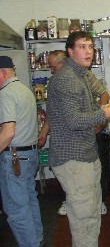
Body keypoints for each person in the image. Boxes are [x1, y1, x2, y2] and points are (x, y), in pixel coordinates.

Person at [47, 31, 110, 247]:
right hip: (73, 159)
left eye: (91, 46)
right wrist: (107, 113)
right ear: (70, 52)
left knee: (91, 214)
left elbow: (84, 110)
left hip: (85, 154)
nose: (88, 51)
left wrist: (102, 111)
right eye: (82, 46)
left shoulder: (81, 75)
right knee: (84, 220)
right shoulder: (67, 79)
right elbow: (73, 120)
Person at [38, 50, 110, 216]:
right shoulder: (59, 80)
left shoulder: (85, 76)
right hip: (71, 146)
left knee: (91, 180)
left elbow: (103, 94)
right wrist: (44, 131)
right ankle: (76, 202)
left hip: (90, 131)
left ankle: (97, 203)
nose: (51, 70)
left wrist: (101, 117)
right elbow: (56, 112)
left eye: (52, 66)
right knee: (77, 183)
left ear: (63, 63)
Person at [0, 56, 44, 246]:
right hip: (30, 154)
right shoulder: (25, 90)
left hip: (15, 158)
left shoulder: (6, 93)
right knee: (29, 200)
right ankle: (38, 239)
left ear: (2, 72)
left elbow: (8, 132)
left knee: (16, 210)